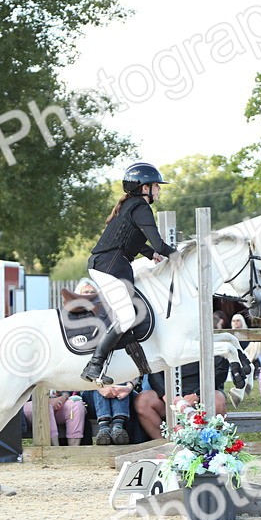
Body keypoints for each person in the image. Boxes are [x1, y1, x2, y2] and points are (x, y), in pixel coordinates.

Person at [82, 162, 176, 384]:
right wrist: (182, 257)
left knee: (130, 313)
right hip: (110, 266)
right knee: (127, 316)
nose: (159, 190)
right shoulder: (141, 207)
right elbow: (161, 245)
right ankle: (94, 365)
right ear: (145, 188)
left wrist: (149, 253)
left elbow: (130, 237)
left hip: (108, 264)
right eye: (156, 186)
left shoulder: (130, 206)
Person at [134, 358, 230, 440]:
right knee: (143, 401)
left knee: (217, 400)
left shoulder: (209, 340)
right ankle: (164, 443)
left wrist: (197, 394)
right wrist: (165, 395)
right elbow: (154, 372)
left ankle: (212, 443)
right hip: (170, 395)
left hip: (202, 394)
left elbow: (219, 371)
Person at [22, 390, 86, 446]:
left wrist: (63, 397)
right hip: (31, 403)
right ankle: (56, 450)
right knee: (44, 406)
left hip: (58, 402)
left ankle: (73, 452)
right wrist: (46, 400)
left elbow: (68, 389)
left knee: (76, 406)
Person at [91, 381, 134, 445]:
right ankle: (107, 429)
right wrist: (100, 387)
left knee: (121, 382)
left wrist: (129, 387)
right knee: (100, 383)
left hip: (123, 388)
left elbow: (135, 377)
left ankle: (115, 429)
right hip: (93, 391)